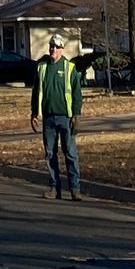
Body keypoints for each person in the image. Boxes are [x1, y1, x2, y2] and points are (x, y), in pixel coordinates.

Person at [29, 39, 85, 200]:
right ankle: (54, 188)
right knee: (50, 154)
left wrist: (76, 115)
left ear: (62, 49)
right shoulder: (42, 67)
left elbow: (77, 94)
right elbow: (36, 91)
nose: (53, 49)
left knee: (70, 154)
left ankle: (75, 189)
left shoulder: (69, 68)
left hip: (66, 118)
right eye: (51, 46)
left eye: (57, 47)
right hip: (48, 118)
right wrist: (34, 113)